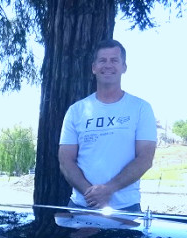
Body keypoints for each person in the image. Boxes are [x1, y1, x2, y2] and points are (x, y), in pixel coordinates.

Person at [58, 39, 157, 213]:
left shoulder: (141, 108)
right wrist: (92, 194)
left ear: (124, 67)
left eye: (114, 60)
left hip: (126, 210)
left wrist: (109, 189)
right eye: (102, 60)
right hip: (80, 207)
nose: (108, 65)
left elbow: (145, 158)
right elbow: (65, 160)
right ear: (94, 67)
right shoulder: (76, 111)